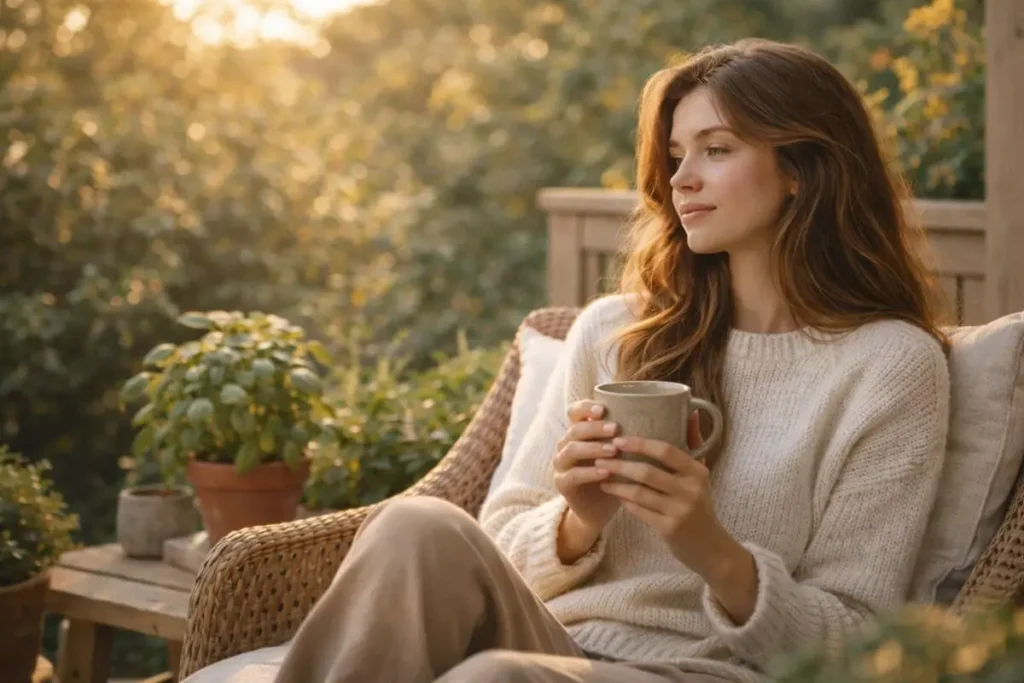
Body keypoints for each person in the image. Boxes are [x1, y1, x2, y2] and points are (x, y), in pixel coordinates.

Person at [271, 38, 951, 683]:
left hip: (707, 670)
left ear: (802, 169)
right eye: (677, 154)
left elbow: (859, 644)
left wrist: (711, 548)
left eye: (716, 149)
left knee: (495, 676)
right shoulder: (615, 331)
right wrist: (576, 520)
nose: (682, 179)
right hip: (552, 641)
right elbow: (498, 548)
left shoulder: (889, 365)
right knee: (416, 524)